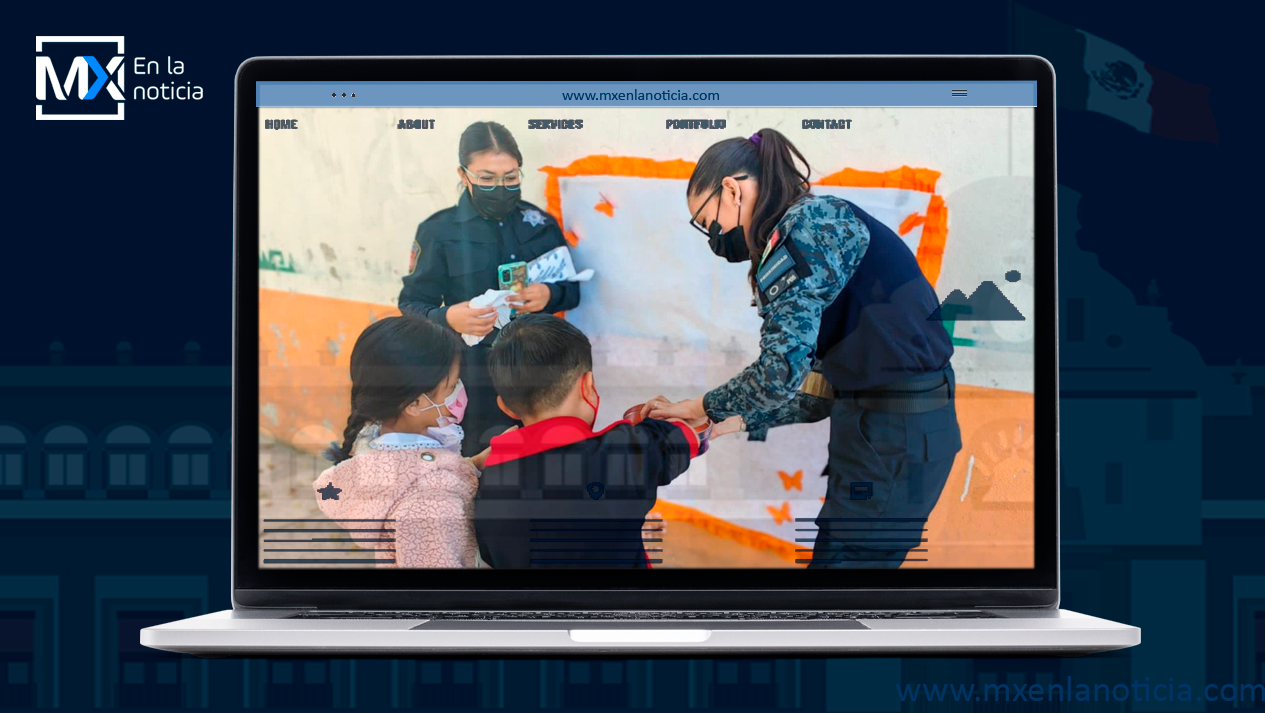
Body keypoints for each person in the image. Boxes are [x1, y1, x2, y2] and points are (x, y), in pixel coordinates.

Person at [646, 128, 962, 569]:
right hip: (887, 428)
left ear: (731, 190)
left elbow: (778, 375)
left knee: (843, 578)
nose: (713, 236)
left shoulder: (804, 231)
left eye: (706, 221)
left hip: (893, 432)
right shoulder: (812, 222)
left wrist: (702, 404)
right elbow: (813, 397)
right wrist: (717, 423)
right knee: (843, 562)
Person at [399, 121, 581, 458]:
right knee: (479, 460)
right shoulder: (438, 231)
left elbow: (572, 291)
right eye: (487, 177)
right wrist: (447, 317)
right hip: (472, 375)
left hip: (539, 371)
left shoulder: (539, 223)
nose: (500, 187)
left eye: (511, 177)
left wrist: (549, 295)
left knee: (544, 458)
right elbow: (411, 303)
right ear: (463, 173)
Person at [474, 314, 712, 569]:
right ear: (587, 385)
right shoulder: (627, 453)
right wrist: (663, 416)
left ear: (507, 407)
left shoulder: (487, 483)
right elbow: (692, 431)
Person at [313, 315, 491, 568]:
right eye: (451, 386)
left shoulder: (377, 441)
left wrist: (473, 464)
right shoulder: (430, 504)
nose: (459, 390)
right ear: (414, 404)